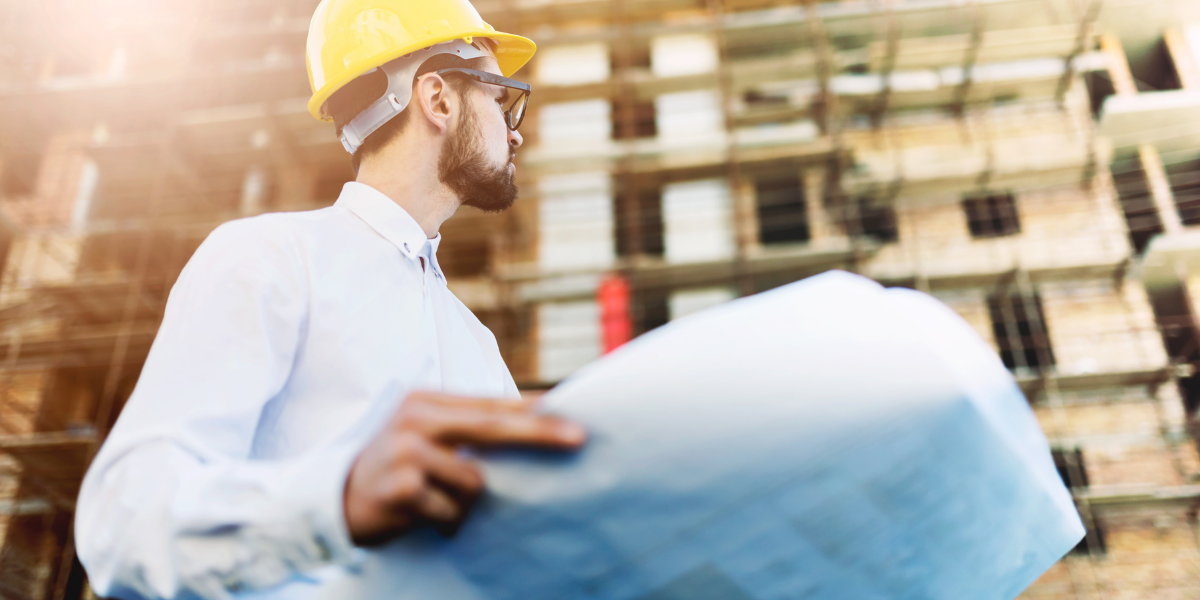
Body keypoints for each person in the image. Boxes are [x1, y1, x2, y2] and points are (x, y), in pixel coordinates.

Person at [74, 1, 586, 598]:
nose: (516, 128)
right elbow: (124, 524)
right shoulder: (270, 259)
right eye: (502, 100)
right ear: (438, 99)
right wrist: (335, 499)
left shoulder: (476, 343)